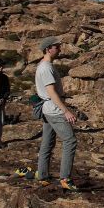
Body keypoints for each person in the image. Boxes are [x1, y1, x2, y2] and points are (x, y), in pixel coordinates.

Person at [35, 36, 78, 191]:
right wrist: (66, 111)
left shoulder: (43, 65)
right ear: (48, 49)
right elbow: (51, 92)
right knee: (70, 140)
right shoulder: (46, 68)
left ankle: (42, 175)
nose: (59, 49)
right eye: (57, 47)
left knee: (47, 141)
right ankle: (65, 178)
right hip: (53, 109)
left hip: (48, 109)